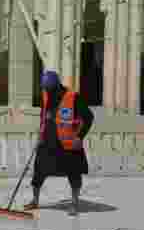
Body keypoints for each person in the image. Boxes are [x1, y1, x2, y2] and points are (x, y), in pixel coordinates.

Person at [23, 70, 95, 217]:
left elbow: (89, 117)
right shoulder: (45, 96)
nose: (46, 91)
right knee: (38, 172)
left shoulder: (72, 97)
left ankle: (74, 203)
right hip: (47, 142)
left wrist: (79, 137)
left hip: (68, 144)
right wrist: (40, 133)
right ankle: (35, 201)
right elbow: (44, 117)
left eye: (49, 89)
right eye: (45, 88)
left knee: (74, 174)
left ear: (56, 86)